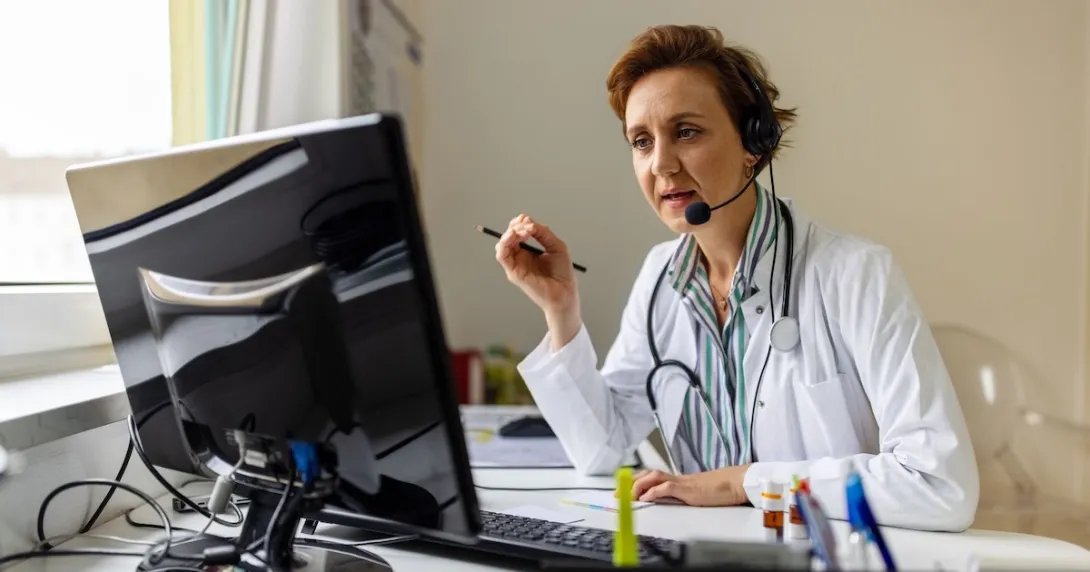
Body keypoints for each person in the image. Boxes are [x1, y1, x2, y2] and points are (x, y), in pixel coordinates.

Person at [494, 24, 979, 532]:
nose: (661, 164)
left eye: (686, 132)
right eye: (642, 141)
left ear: (754, 144)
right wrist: (561, 312)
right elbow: (604, 449)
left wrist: (742, 483)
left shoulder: (855, 274)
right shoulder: (662, 276)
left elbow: (939, 484)